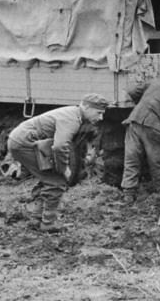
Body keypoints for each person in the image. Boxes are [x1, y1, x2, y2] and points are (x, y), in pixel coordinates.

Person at [7, 94, 108, 232]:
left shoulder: (74, 114)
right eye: (99, 113)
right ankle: (48, 224)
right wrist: (64, 168)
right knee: (56, 181)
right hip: (24, 143)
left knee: (48, 178)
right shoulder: (72, 119)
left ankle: (37, 219)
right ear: (87, 107)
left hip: (23, 140)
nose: (100, 117)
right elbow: (60, 146)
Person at [120, 74, 160, 201]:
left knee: (132, 158)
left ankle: (128, 193)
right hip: (153, 126)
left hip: (133, 120)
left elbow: (132, 91)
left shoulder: (154, 83)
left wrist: (141, 102)